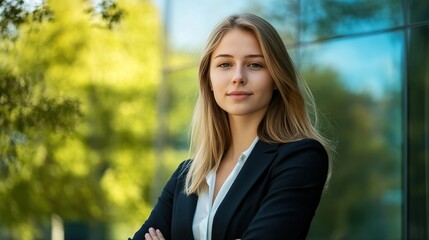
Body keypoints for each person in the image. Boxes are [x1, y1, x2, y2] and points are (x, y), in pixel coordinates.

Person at [129, 13, 332, 240]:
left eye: (255, 65)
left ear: (276, 77)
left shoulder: (300, 158)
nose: (238, 77)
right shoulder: (186, 176)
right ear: (209, 79)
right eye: (225, 64)